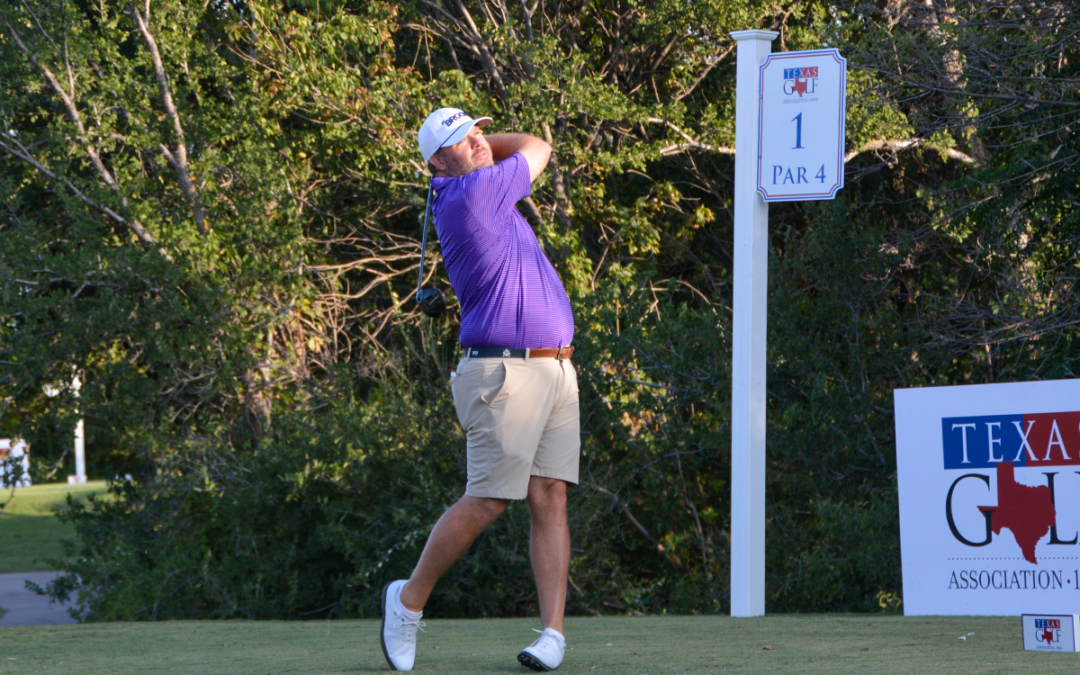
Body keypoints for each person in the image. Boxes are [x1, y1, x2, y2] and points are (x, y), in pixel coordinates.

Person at [379, 108, 579, 672]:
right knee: (490, 498)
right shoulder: (471, 194)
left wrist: (474, 143)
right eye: (462, 141)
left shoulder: (479, 184)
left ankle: (552, 636)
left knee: (550, 496)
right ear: (438, 164)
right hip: (504, 373)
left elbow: (523, 149)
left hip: (555, 367)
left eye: (477, 131)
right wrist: (485, 148)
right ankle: (408, 600)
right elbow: (539, 144)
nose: (478, 143)